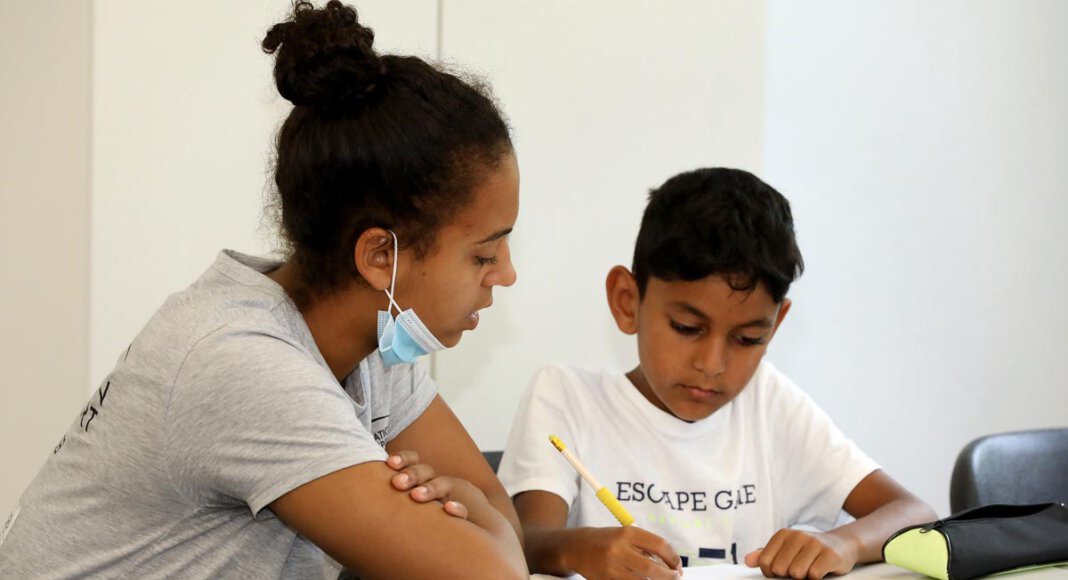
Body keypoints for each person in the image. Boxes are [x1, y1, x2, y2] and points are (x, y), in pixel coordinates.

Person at [0, 2, 527, 578]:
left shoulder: (371, 340)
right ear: (381, 257)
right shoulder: (240, 360)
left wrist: (483, 515)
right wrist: (477, 517)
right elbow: (493, 570)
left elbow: (498, 519)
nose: (505, 274)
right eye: (483, 253)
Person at [498, 168, 936, 580]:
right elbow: (523, 540)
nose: (712, 364)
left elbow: (915, 513)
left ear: (776, 324)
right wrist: (578, 549)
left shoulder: (769, 404)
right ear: (628, 301)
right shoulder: (567, 397)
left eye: (747, 339)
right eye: (688, 328)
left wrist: (844, 543)